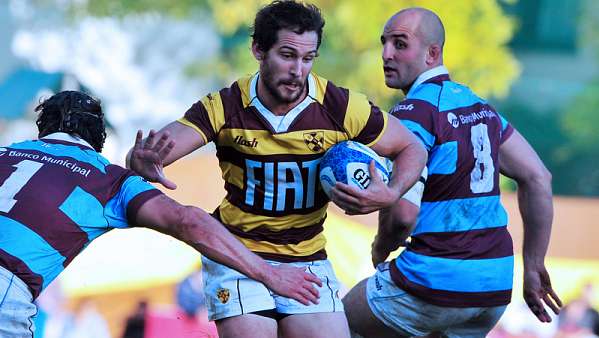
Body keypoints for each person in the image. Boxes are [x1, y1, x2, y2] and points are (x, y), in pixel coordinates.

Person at [127, 1, 426, 337]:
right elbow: (156, 151)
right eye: (287, 55)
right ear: (258, 49)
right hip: (237, 254)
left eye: (308, 58)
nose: (298, 69)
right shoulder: (224, 106)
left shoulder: (340, 106)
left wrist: (392, 191)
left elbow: (411, 146)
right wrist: (140, 161)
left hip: (306, 258)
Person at [0, 91, 322, 337]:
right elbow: (189, 221)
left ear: (43, 128)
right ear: (99, 138)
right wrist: (271, 274)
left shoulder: (5, 152)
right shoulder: (107, 177)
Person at [342, 7, 563, 338]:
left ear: (433, 53)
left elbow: (403, 215)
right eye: (384, 43)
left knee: (328, 324)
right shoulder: (479, 107)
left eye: (400, 44)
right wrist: (533, 266)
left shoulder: (413, 111)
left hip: (435, 280)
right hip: (494, 285)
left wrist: (381, 246)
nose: (387, 54)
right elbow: (538, 178)